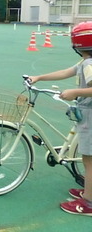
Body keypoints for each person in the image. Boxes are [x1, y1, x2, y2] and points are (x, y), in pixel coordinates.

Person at [28, 21, 92, 216]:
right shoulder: (85, 61)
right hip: (86, 113)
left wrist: (75, 91)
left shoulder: (89, 63)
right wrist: (39, 77)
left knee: (89, 161)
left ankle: (89, 203)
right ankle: (88, 191)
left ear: (78, 44)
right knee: (86, 157)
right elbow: (66, 72)